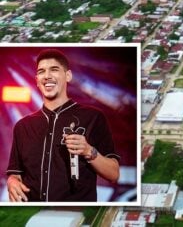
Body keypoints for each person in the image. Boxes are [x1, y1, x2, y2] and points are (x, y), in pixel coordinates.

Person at [6, 49, 120, 202]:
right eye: (41, 72)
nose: (47, 76)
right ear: (37, 80)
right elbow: (15, 173)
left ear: (68, 76)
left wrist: (88, 150)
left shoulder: (93, 117)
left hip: (74, 214)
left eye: (54, 70)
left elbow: (113, 174)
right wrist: (12, 181)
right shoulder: (22, 126)